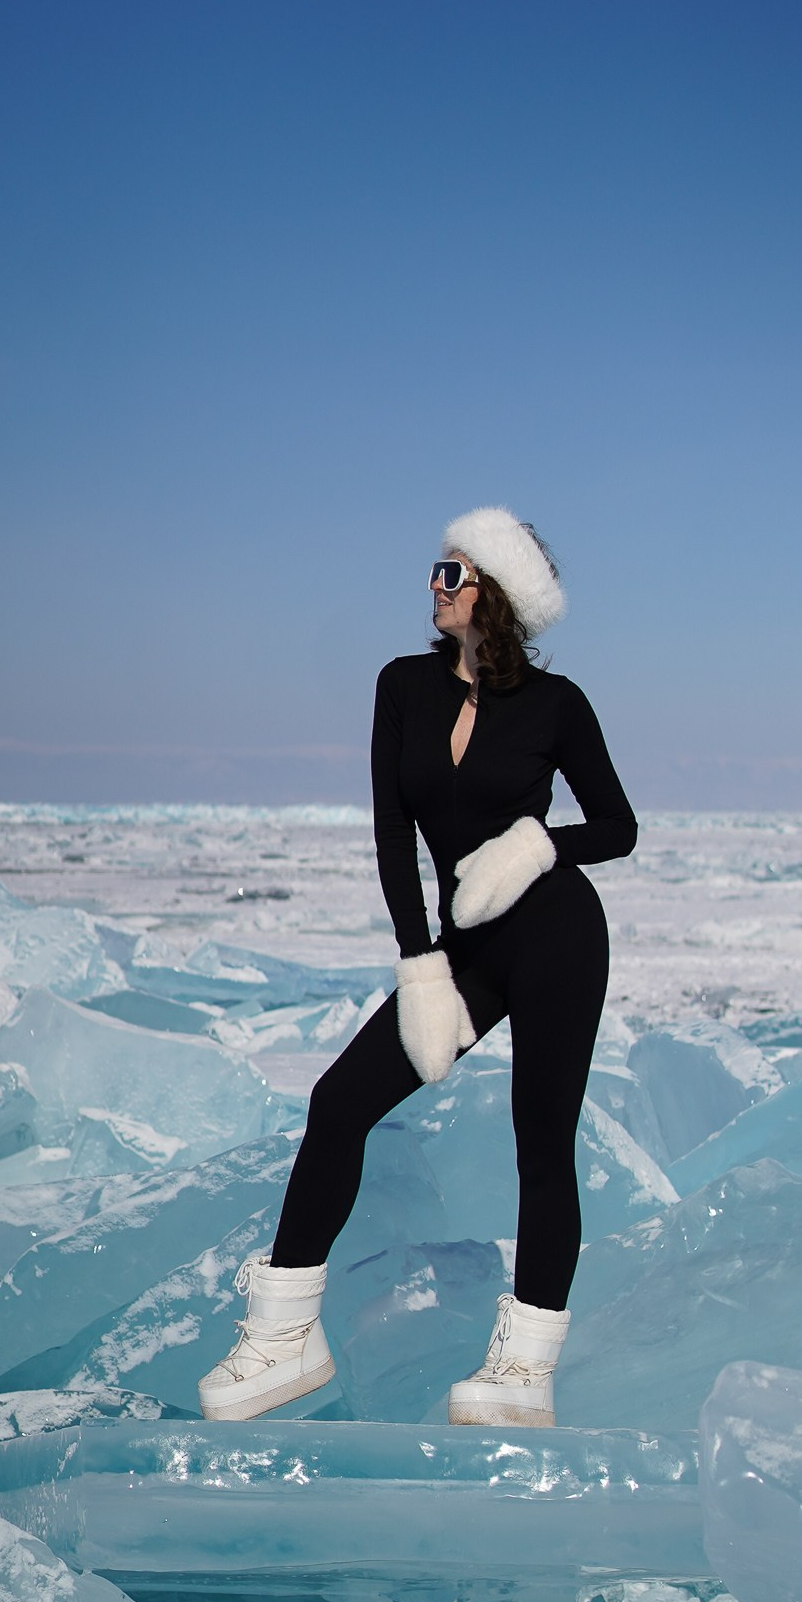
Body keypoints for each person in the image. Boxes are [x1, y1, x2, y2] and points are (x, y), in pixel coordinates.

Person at [199, 507, 638, 1428]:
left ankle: (525, 1370)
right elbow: (392, 835)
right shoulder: (403, 685)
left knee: (541, 1146)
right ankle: (286, 1338)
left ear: (498, 596)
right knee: (340, 1101)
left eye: (453, 574)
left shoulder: (559, 707)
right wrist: (420, 962)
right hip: (463, 951)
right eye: (438, 572)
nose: (435, 588)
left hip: (556, 935)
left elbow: (618, 827)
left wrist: (533, 847)